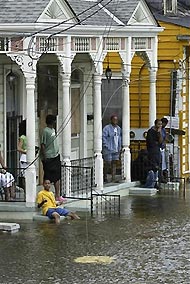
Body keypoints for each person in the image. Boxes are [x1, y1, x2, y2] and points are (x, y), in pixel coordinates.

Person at [40, 114, 61, 199]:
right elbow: (43, 144)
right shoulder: (45, 131)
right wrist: (45, 156)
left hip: (55, 156)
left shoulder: (53, 130)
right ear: (51, 122)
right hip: (48, 157)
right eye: (54, 121)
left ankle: (57, 195)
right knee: (48, 176)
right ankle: (46, 195)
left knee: (57, 177)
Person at [102, 115, 122, 182]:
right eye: (114, 119)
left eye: (116, 120)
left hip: (116, 148)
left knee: (114, 163)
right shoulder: (107, 128)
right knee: (108, 162)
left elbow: (120, 138)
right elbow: (103, 137)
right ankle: (104, 176)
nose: (115, 121)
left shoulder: (118, 128)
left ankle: (113, 177)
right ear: (111, 120)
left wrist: (120, 146)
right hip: (108, 149)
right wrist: (105, 145)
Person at [146, 119, 163, 187]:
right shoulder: (150, 131)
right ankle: (151, 183)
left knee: (158, 166)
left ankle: (156, 182)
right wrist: (156, 142)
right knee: (153, 166)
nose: (160, 126)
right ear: (155, 124)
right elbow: (151, 142)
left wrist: (159, 133)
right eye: (159, 124)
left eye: (161, 124)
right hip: (152, 151)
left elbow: (160, 142)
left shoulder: (158, 132)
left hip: (157, 150)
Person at [17, 119, 27, 189]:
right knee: (25, 175)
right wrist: (26, 151)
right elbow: (19, 148)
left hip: (30, 157)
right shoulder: (22, 137)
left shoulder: (29, 136)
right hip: (24, 157)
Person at [160, 117, 169, 182]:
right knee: (161, 163)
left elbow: (165, 138)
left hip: (163, 148)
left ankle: (163, 176)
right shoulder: (159, 129)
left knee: (163, 163)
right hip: (159, 148)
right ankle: (161, 177)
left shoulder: (163, 130)